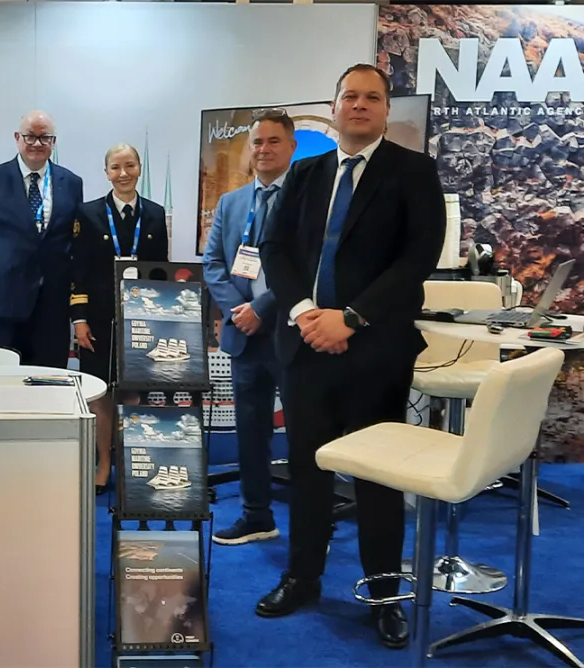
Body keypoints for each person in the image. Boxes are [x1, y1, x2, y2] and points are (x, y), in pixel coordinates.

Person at [256, 64, 446, 649]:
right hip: (305, 344)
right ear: (334, 107)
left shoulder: (413, 171)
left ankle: (384, 593)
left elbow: (418, 257)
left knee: (376, 478)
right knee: (308, 468)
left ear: (386, 110)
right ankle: (303, 577)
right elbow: (274, 248)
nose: (360, 105)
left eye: (372, 97)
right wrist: (305, 313)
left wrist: (352, 318)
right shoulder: (305, 172)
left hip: (376, 349)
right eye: (350, 96)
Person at [202, 109, 296, 545]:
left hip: (292, 333)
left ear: (291, 147)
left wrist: (262, 307)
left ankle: (314, 523)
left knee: (304, 433)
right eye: (257, 142)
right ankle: (256, 516)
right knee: (251, 433)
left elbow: (307, 267)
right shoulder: (231, 202)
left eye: (274, 141)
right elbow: (213, 263)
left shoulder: (306, 200)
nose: (264, 149)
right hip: (244, 335)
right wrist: (240, 311)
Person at [70, 143, 169, 492]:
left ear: (139, 168)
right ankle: (104, 462)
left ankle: (131, 464)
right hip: (99, 318)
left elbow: (161, 272)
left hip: (141, 317)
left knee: (134, 394)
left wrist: (160, 318)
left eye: (129, 165)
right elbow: (78, 270)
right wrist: (79, 318)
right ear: (107, 172)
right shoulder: (88, 214)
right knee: (101, 394)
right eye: (115, 167)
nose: (123, 173)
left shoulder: (155, 214)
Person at [0, 110, 85, 367]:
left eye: (45, 137)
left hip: (53, 306)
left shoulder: (72, 183)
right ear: (17, 138)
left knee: (52, 379)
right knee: (5, 380)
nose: (37, 143)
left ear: (53, 142)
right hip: (6, 302)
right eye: (30, 136)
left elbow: (74, 240)